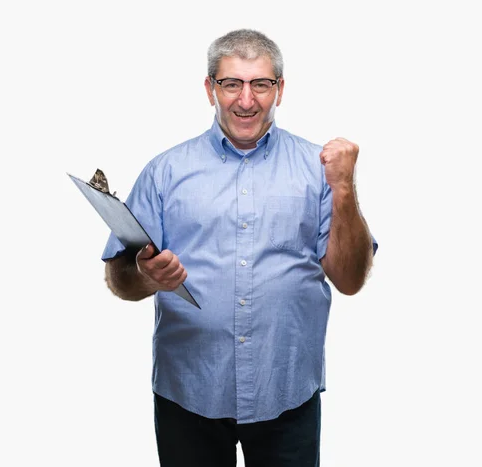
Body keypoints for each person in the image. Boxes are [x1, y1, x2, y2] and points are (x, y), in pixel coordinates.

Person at [102, 28, 378, 467]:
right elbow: (120, 277)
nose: (246, 100)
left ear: (280, 90)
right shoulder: (165, 172)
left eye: (260, 84)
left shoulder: (319, 169)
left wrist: (344, 188)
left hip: (285, 391)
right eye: (232, 83)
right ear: (210, 88)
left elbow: (350, 279)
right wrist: (145, 275)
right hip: (189, 392)